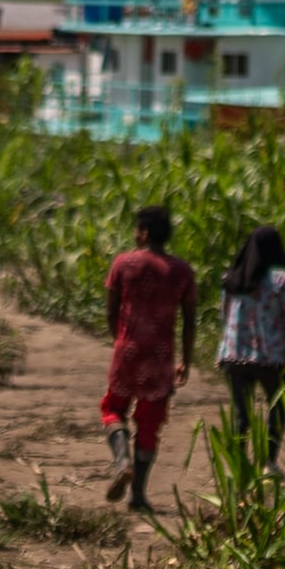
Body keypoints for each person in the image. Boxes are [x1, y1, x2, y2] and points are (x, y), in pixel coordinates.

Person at [97, 206, 196, 513]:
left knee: (113, 408)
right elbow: (190, 320)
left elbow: (111, 310)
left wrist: (120, 340)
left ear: (143, 232)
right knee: (150, 422)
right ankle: (138, 495)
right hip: (160, 357)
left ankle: (122, 459)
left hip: (128, 350)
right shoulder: (182, 271)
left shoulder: (123, 264)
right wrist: (186, 360)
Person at [214, 221, 285, 473]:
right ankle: (269, 462)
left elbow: (224, 317)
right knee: (278, 408)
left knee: (241, 415)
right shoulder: (281, 280)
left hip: (234, 357)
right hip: (271, 358)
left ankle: (239, 465)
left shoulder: (231, 279)